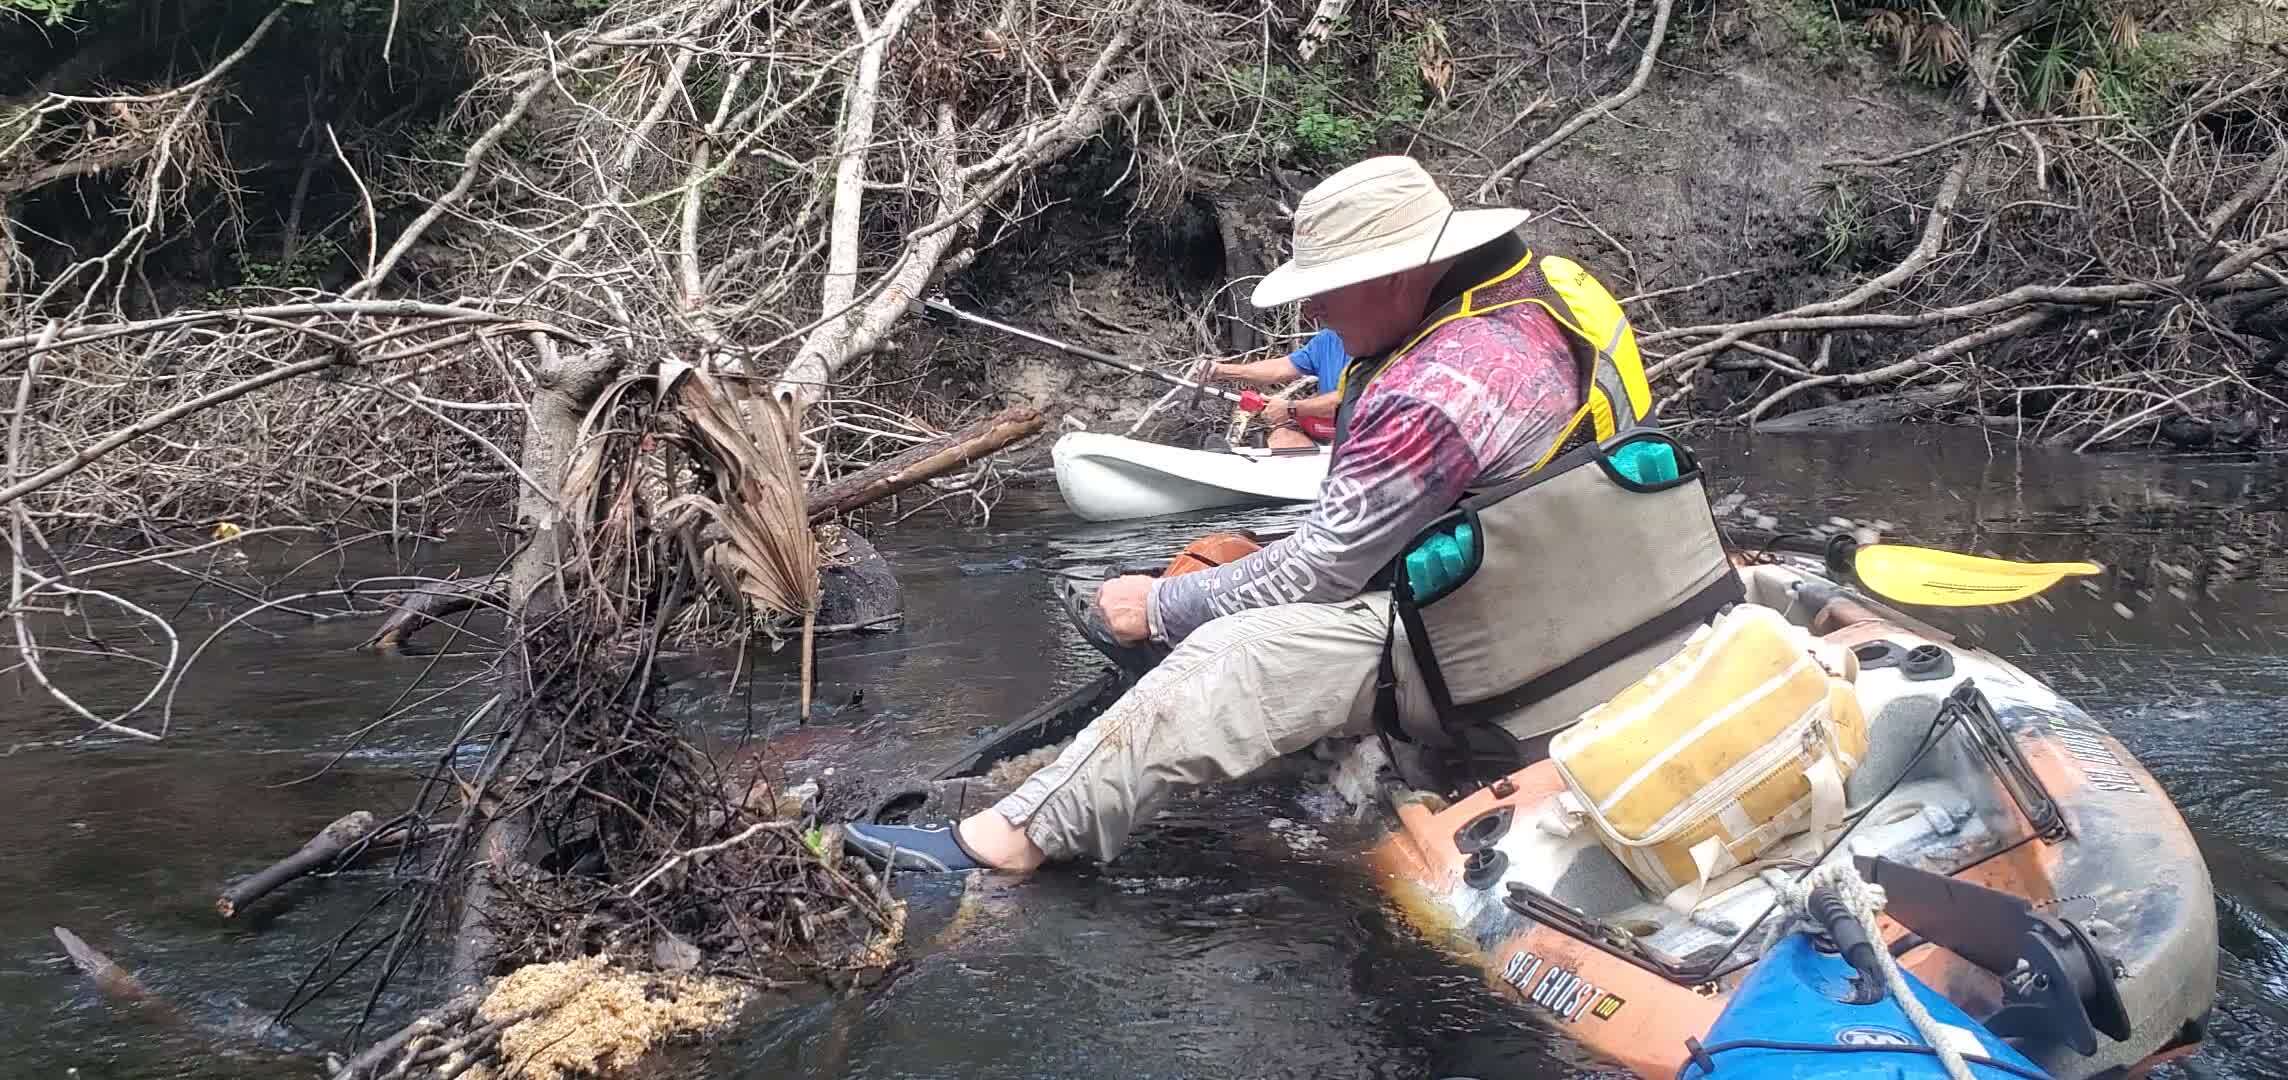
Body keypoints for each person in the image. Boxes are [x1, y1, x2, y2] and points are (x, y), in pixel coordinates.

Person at [841, 155, 1736, 873]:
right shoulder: (1544, 294)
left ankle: (998, 845)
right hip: (1618, 585)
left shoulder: (1438, 387)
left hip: (1516, 644)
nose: (1310, 309)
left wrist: (1157, 606)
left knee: (1228, 647)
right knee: (1232, 562)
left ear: (1402, 272)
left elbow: (1318, 574)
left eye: (1325, 287)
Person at [1205, 329, 1347, 448]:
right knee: (1282, 437)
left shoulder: (1368, 346)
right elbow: (1281, 368)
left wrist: (1291, 409)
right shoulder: (1329, 338)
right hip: (1329, 431)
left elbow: (1350, 400)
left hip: (1359, 438)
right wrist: (1222, 371)